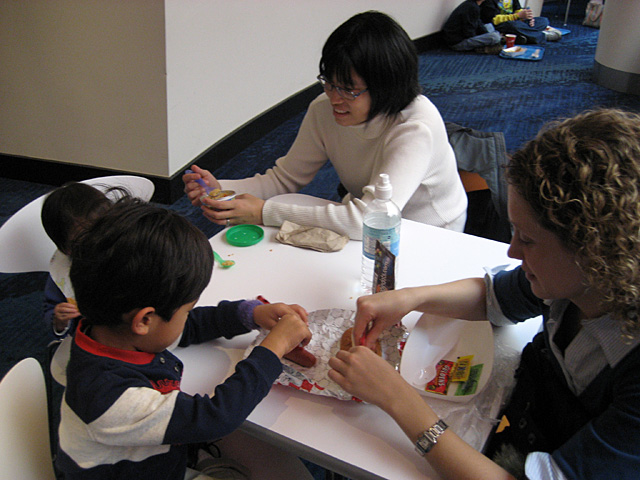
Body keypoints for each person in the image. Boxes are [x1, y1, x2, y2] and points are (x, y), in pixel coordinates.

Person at [328, 109, 640, 479]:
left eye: (527, 239)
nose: (512, 252)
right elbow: (497, 297)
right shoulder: (576, 282)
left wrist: (397, 398)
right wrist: (409, 298)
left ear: (594, 252)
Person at [56, 197, 312, 479]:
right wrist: (272, 349)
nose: (188, 317)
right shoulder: (109, 397)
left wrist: (250, 313)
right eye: (186, 309)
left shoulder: (115, 329)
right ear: (144, 320)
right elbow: (217, 417)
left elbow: (186, 328)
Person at [183, 11, 467, 240]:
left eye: (348, 89)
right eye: (329, 83)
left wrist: (265, 212)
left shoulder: (415, 126)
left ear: (386, 86)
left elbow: (366, 221)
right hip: (367, 219)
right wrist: (221, 187)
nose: (334, 98)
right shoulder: (324, 109)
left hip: (431, 232)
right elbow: (284, 179)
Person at [41, 182, 113, 340]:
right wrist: (60, 320)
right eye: (87, 240)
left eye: (105, 230)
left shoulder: (125, 244)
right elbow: (52, 309)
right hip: (96, 340)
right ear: (66, 248)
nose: (100, 241)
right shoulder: (63, 269)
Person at [480, 0, 560, 45]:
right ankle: (542, 36)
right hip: (501, 24)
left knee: (543, 20)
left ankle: (522, 36)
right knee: (513, 25)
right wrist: (517, 16)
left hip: (516, 22)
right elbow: (493, 20)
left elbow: (518, 9)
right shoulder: (488, 1)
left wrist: (528, 18)